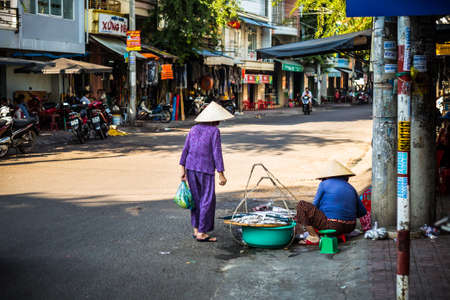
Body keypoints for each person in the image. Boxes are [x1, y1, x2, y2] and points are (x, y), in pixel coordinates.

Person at [179, 101, 234, 242]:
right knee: (207, 200)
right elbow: (217, 153)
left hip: (190, 168)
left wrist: (182, 169)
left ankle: (196, 229)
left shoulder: (193, 129)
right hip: (205, 169)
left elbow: (185, 149)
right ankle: (202, 232)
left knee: (196, 200)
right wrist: (221, 174)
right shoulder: (214, 131)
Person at [296, 160, 367, 245]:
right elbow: (362, 212)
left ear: (325, 178)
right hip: (350, 227)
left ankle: (313, 237)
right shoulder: (351, 187)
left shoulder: (324, 184)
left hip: (332, 226)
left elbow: (314, 206)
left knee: (302, 205)